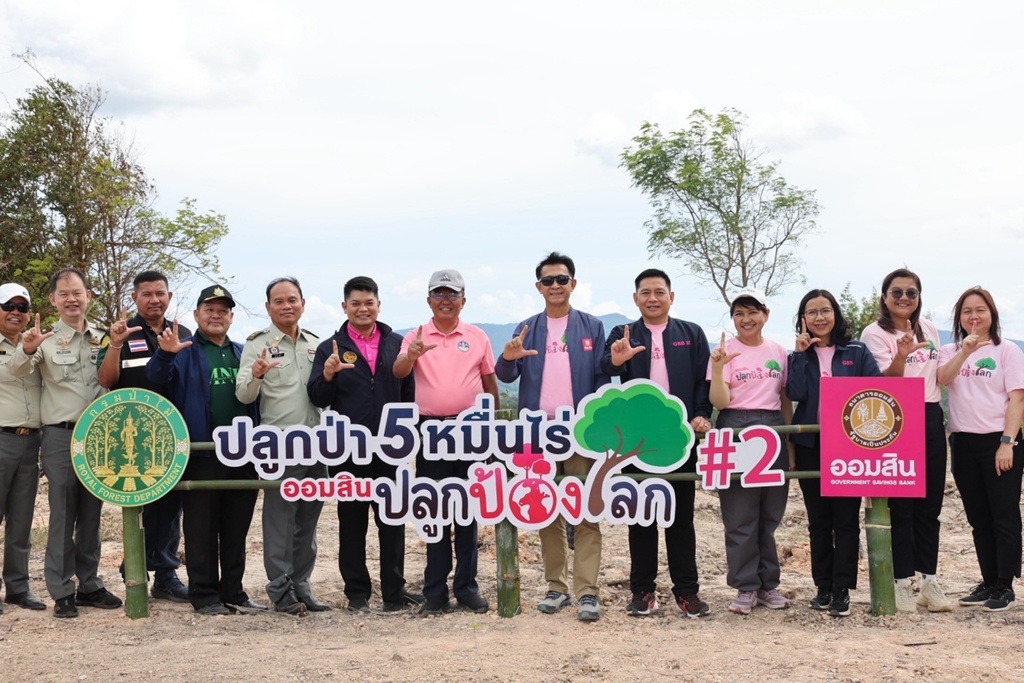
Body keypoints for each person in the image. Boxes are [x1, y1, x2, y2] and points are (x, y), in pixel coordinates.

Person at [495, 252, 609, 621]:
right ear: (538, 287)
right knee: (546, 508)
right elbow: (507, 375)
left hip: (580, 431)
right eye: (548, 281)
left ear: (573, 284)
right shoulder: (527, 328)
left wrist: (600, 428)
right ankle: (556, 587)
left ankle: (587, 591)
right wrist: (508, 358)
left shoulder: (592, 327)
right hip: (537, 431)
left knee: (586, 509)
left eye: (562, 279)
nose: (555, 286)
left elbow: (603, 377)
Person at [9, 268, 121, 618]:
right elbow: (18, 370)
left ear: (88, 296)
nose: (72, 299)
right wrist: (26, 349)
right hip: (60, 435)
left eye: (78, 292)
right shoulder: (43, 339)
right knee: (63, 513)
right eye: (64, 294)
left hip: (99, 435)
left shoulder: (104, 337)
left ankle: (89, 583)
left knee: (92, 512)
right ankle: (62, 590)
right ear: (53, 300)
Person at [601, 269, 714, 618]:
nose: (653, 298)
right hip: (636, 441)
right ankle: (642, 591)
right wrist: (617, 360)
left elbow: (703, 380)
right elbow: (605, 367)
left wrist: (701, 414)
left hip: (679, 438)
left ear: (671, 297)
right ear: (635, 298)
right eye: (646, 292)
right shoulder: (623, 333)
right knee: (641, 517)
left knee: (681, 518)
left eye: (659, 292)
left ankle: (687, 592)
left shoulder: (691, 333)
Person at [307, 276, 423, 613]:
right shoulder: (330, 347)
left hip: (391, 447)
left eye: (369, 302)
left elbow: (409, 393)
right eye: (355, 303)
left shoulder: (396, 343)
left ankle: (394, 592)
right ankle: (357, 594)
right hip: (349, 449)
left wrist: (408, 436)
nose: (363, 309)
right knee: (352, 522)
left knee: (392, 521)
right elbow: (317, 396)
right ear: (344, 307)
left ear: (379, 305)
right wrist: (328, 374)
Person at [146, 284, 264, 616]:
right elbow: (156, 377)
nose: (216, 316)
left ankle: (234, 592)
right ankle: (204, 594)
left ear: (231, 317)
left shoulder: (243, 352)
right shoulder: (183, 350)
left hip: (243, 453)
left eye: (223, 311)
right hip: (202, 454)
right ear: (197, 315)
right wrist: (164, 354)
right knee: (201, 529)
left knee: (236, 529)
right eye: (209, 310)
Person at [393, 269, 499, 615]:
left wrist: (493, 429)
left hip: (471, 430)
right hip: (430, 432)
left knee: (467, 512)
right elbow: (399, 371)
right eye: (439, 294)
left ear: (463, 301)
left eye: (452, 294)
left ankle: (466, 588)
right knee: (435, 511)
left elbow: (489, 382)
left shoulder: (477, 336)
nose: (446, 300)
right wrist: (412, 355)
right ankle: (435, 592)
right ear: (429, 300)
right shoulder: (416, 335)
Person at [860, 269, 953, 612]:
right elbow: (886, 380)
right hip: (897, 415)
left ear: (919, 297)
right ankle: (901, 583)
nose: (904, 298)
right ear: (884, 297)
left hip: (929, 414)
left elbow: (938, 376)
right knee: (901, 505)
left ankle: (929, 582)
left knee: (930, 505)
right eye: (896, 292)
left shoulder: (928, 328)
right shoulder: (874, 333)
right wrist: (901, 354)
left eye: (911, 293)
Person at [96, 270, 191, 603]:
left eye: (160, 293)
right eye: (146, 294)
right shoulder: (121, 333)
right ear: (134, 298)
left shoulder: (183, 333)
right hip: (133, 438)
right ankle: (135, 569)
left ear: (169, 297)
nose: (154, 300)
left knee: (172, 507)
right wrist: (115, 344)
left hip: (173, 434)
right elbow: (106, 380)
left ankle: (165, 576)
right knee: (140, 507)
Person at [786, 288, 882, 617]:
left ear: (835, 314)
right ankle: (823, 586)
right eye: (812, 312)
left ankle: (842, 589)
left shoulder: (856, 350)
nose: (820, 317)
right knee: (818, 521)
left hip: (849, 446)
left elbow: (875, 390)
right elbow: (795, 393)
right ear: (803, 319)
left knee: (845, 521)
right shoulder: (798, 355)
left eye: (825, 310)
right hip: (810, 445)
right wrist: (800, 355)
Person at [236, 277, 329, 615]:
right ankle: (280, 588)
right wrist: (257, 374)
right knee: (280, 520)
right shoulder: (256, 345)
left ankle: (302, 585)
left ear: (303, 303)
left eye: (292, 299)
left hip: (317, 445)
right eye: (279, 301)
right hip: (279, 447)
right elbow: (243, 394)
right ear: (268, 307)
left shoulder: (317, 344)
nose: (286, 306)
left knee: (308, 520)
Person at [937, 286, 1024, 612]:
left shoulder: (1007, 350)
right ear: (959, 318)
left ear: (992, 314)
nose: (974, 316)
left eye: (980, 310)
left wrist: (1007, 442)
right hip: (963, 441)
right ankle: (988, 581)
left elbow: (1018, 398)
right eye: (967, 311)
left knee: (1004, 514)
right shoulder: (950, 350)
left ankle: (1005, 585)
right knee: (978, 517)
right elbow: (943, 378)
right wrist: (964, 352)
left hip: (998, 441)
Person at [707, 289, 792, 615]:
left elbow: (784, 399)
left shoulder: (779, 352)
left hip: (772, 428)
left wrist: (789, 442)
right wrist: (718, 369)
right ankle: (745, 586)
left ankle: (768, 585)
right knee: (739, 513)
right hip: (735, 425)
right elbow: (720, 402)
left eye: (753, 312)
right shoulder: (724, 352)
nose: (746, 319)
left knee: (770, 514)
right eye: (739, 313)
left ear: (765, 315)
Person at [0, 283, 46, 613]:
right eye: (8, 306)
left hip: (31, 442)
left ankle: (18, 587)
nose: (16, 312)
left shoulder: (38, 345)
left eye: (22, 307)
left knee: (21, 521)